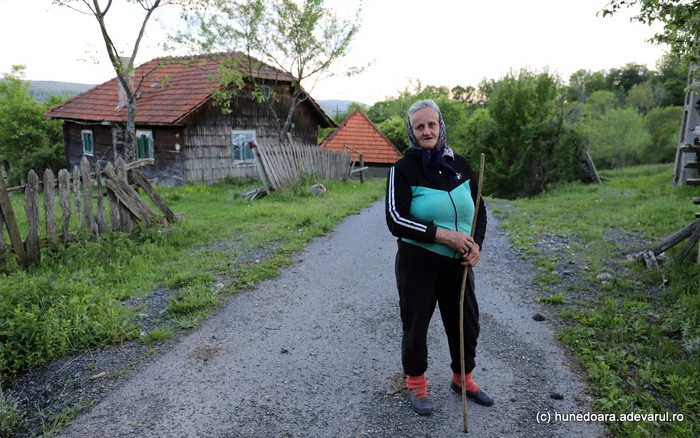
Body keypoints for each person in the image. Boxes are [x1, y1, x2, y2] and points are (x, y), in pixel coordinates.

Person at [385, 99, 492, 415]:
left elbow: (479, 209)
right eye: (419, 127)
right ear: (412, 132)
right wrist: (444, 235)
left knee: (465, 323)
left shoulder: (461, 164)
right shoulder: (402, 169)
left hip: (457, 263)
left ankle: (463, 379)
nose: (427, 131)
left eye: (431, 124)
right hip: (418, 263)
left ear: (440, 126)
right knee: (416, 325)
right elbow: (395, 218)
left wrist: (476, 245)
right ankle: (416, 384)